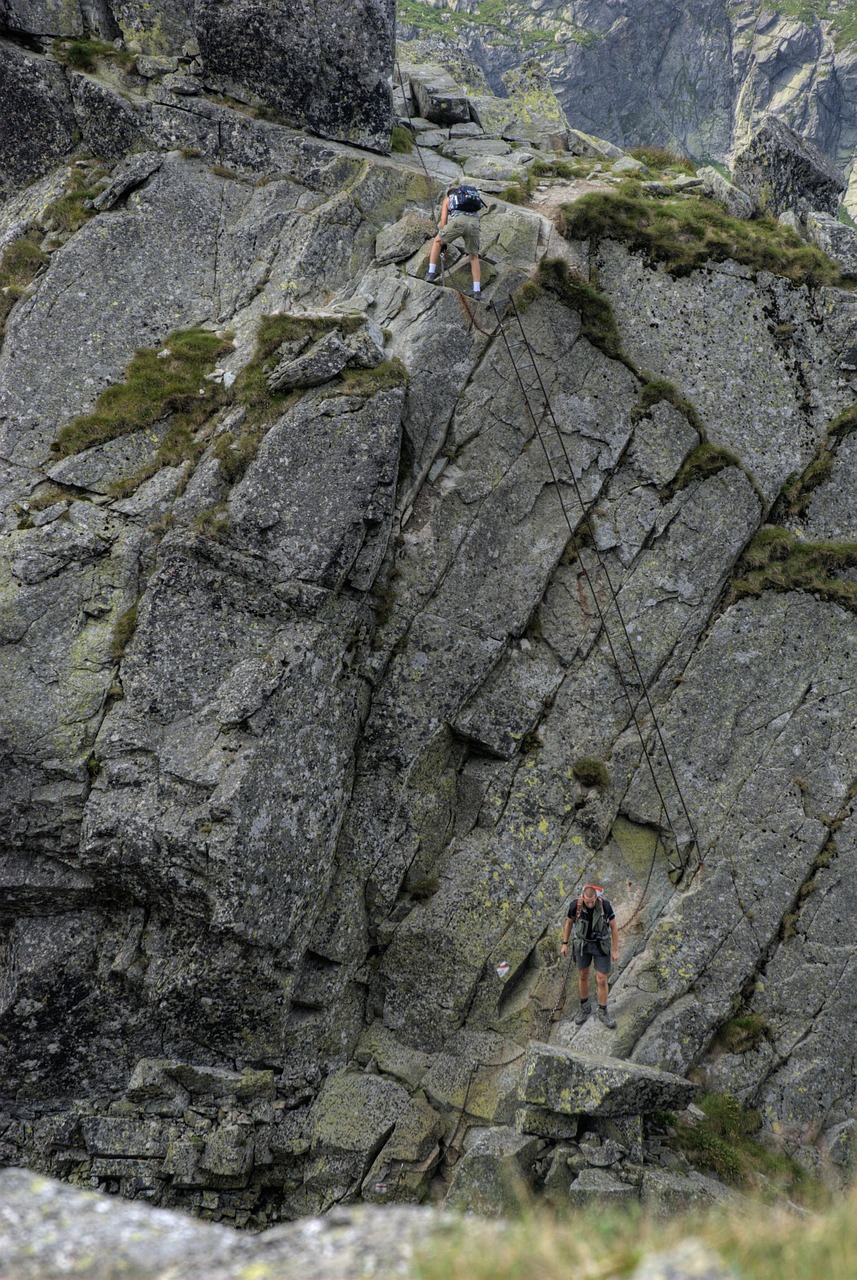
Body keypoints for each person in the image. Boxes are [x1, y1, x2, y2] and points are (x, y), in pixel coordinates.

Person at [560, 884, 619, 1028]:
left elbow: (614, 927)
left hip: (601, 945)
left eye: (593, 901)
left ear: (596, 897)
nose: (591, 904)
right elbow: (568, 923)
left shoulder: (605, 906)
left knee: (602, 979)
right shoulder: (576, 906)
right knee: (583, 975)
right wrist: (565, 943)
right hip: (583, 945)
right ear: (583, 898)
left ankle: (602, 1010)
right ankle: (585, 1007)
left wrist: (615, 949)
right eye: (588, 901)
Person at [424, 183, 487, 298]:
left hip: (458, 221)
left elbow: (443, 222)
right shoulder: (468, 199)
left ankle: (430, 273)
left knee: (437, 242)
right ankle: (477, 291)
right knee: (474, 256)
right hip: (474, 223)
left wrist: (443, 239)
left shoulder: (449, 199)